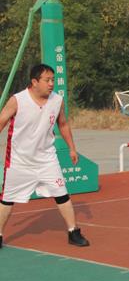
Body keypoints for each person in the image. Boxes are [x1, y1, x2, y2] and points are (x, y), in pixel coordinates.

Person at [0, 64, 89, 249]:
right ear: (34, 82)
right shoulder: (18, 100)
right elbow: (1, 121)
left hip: (47, 160)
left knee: (62, 194)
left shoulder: (57, 100)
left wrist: (72, 148)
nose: (51, 84)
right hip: (19, 161)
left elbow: (63, 124)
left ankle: (73, 232)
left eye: (53, 80)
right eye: (47, 80)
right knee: (7, 198)